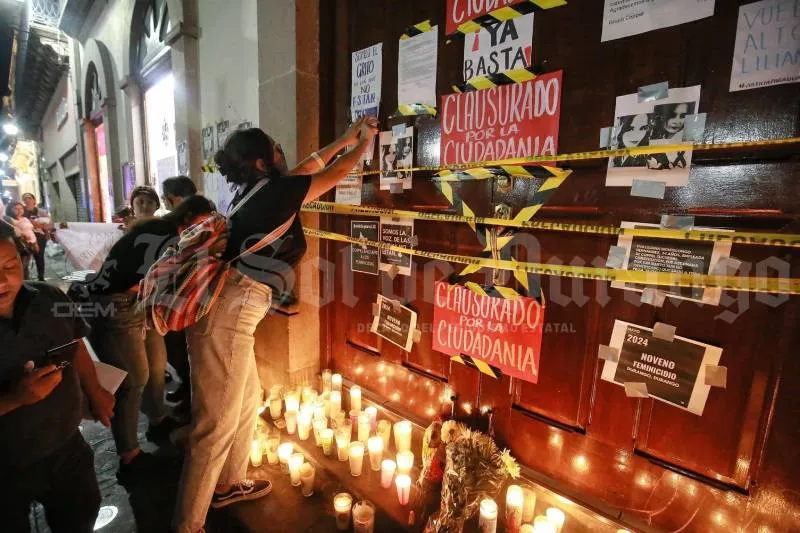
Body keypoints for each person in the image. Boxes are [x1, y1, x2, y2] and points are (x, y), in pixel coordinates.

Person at [173, 116, 378, 533]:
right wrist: (365, 143)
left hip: (234, 309)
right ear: (263, 161)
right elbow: (333, 172)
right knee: (214, 426)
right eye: (275, 147)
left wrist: (345, 135)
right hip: (231, 312)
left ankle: (229, 483)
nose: (283, 151)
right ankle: (187, 524)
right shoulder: (276, 191)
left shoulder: (257, 191)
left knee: (247, 400)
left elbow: (309, 164)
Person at [76, 195, 216, 482]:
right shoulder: (162, 235)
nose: (203, 229)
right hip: (115, 304)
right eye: (202, 223)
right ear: (188, 216)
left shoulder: (168, 232)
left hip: (140, 303)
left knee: (156, 364)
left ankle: (158, 419)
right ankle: (129, 457)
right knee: (133, 379)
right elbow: (154, 277)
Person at [0, 218, 115, 533]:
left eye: (9, 267)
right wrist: (14, 398)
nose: (1, 281)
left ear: (24, 260)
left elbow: (75, 343)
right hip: (6, 466)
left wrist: (96, 392)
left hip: (66, 448)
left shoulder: (49, 298)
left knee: (80, 518)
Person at [160, 176, 201, 409]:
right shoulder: (205, 217)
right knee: (181, 351)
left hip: (186, 296)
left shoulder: (188, 221)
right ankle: (187, 390)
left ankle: (191, 400)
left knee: (182, 350)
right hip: (186, 294)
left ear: (173, 199)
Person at [21, 193, 51, 281]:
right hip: (26, 238)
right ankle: (25, 278)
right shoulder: (21, 211)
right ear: (23, 201)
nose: (27, 200)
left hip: (40, 237)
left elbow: (49, 225)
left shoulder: (41, 212)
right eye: (25, 198)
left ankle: (41, 277)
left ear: (34, 200)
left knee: (39, 257)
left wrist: (37, 225)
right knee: (25, 257)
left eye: (29, 198)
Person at [5, 201, 38, 279]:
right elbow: (13, 232)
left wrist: (35, 243)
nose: (19, 210)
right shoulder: (8, 219)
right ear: (10, 209)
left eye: (21, 208)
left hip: (30, 244)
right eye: (16, 208)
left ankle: (26, 281)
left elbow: (30, 230)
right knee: (21, 266)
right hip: (20, 245)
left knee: (26, 265)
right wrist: (23, 236)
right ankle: (21, 283)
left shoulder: (25, 218)